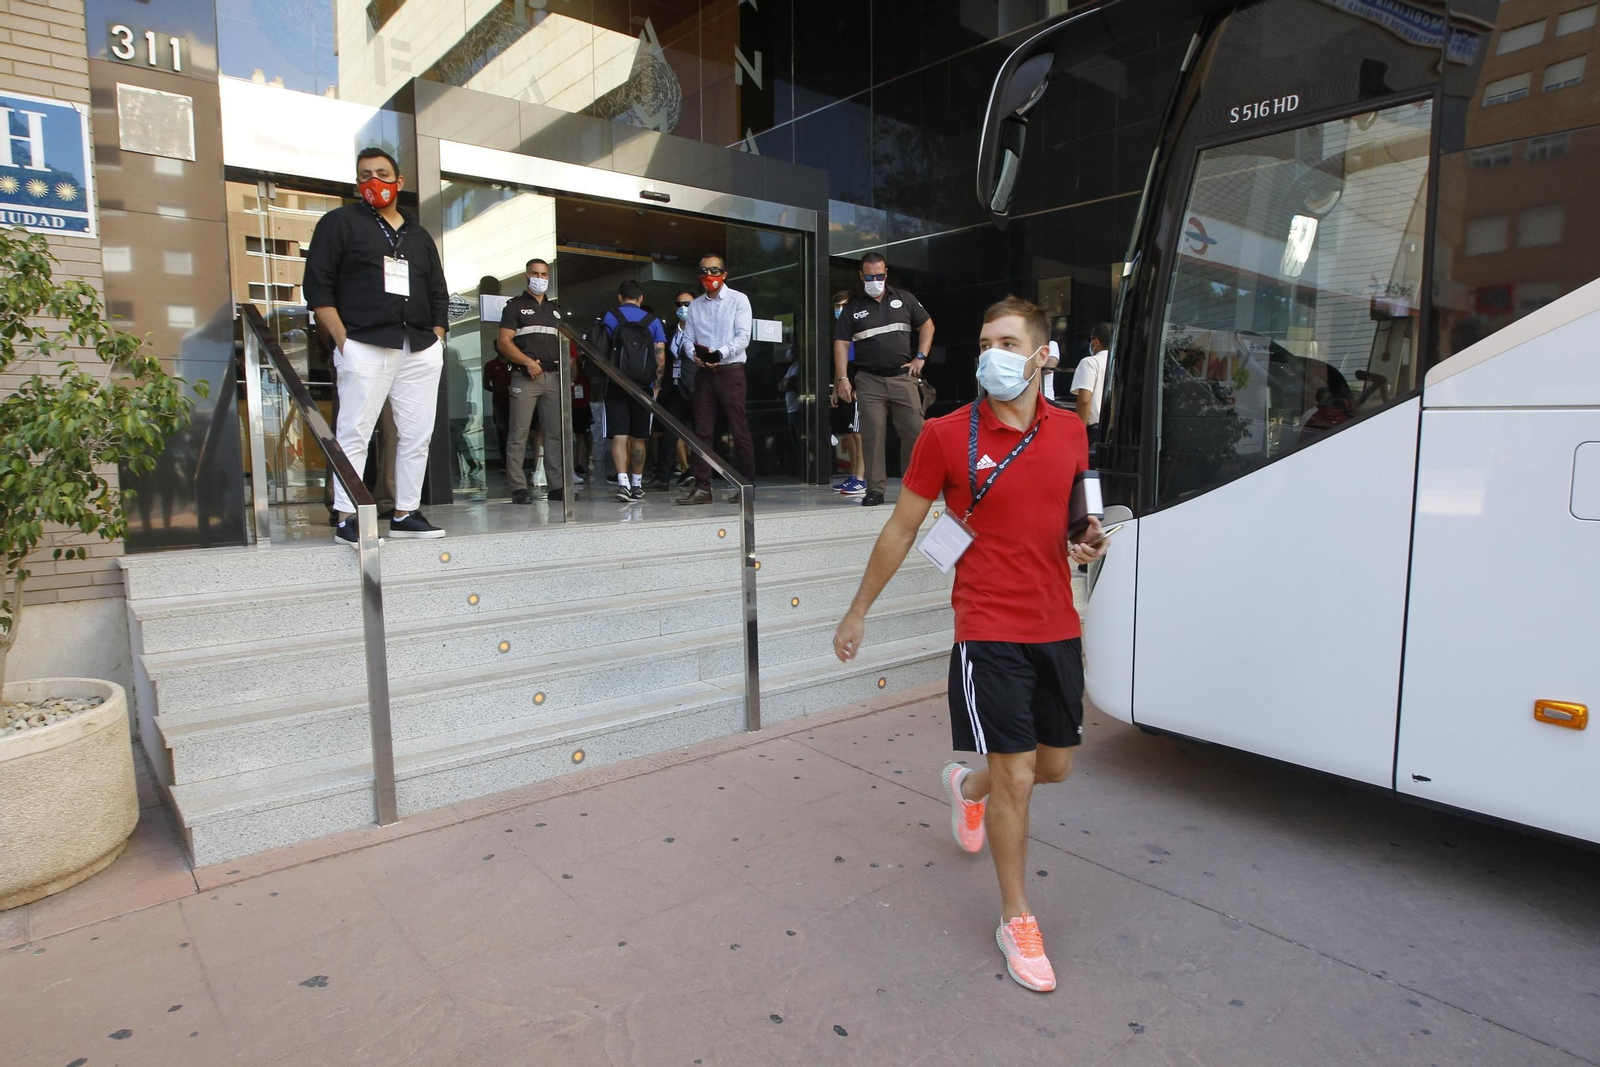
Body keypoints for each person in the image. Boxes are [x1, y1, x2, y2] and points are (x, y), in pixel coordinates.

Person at [831, 296, 1108, 993]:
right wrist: (858, 610)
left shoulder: (1070, 430)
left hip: (1056, 622)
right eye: (985, 343)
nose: (993, 355)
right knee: (1019, 776)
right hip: (986, 627)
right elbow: (903, 528)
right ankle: (1016, 916)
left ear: (1042, 355)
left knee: (1054, 767)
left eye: (1008, 343)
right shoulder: (945, 434)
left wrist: (1086, 539)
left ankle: (966, 787)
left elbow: (1075, 515)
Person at [304, 146, 448, 544]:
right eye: (366, 175)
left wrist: (437, 335)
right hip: (364, 342)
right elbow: (318, 286)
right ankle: (348, 517)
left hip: (418, 345)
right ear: (357, 183)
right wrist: (343, 340)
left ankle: (406, 512)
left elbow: (437, 289)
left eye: (382, 174)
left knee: (417, 434)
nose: (375, 182)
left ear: (399, 182)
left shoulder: (419, 235)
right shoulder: (339, 223)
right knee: (354, 431)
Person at [833, 252, 935, 507]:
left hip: (903, 377)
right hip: (869, 380)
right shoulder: (853, 307)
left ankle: (912, 487)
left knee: (915, 431)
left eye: (879, 276)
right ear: (861, 276)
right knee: (872, 436)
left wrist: (920, 358)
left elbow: (927, 325)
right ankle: (875, 489)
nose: (875, 281)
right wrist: (843, 378)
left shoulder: (904, 298)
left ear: (886, 273)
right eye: (869, 277)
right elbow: (841, 343)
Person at [676, 253, 754, 506]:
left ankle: (746, 486)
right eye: (704, 271)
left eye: (714, 270)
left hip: (731, 371)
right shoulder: (695, 306)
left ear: (724, 273)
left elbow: (743, 336)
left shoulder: (738, 300)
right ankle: (702, 487)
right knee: (702, 431)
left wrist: (720, 353)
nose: (709, 275)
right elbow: (688, 339)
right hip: (705, 374)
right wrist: (694, 354)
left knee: (739, 429)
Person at [496, 258, 569, 504]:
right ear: (527, 276)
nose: (540, 278)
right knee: (519, 432)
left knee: (554, 433)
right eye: (535, 274)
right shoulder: (514, 307)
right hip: (525, 376)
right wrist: (528, 362)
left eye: (544, 274)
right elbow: (503, 342)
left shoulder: (555, 310)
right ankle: (518, 487)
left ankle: (557, 486)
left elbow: (565, 345)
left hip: (553, 377)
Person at [601, 280, 667, 502]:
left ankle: (623, 484)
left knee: (619, 435)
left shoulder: (610, 317)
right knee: (640, 436)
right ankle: (637, 485)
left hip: (616, 384)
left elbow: (600, 349)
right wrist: (656, 387)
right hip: (643, 386)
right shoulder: (653, 321)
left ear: (620, 297)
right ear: (641, 298)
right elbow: (660, 357)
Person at [658, 289, 699, 486]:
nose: (683, 308)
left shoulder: (701, 330)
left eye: (687, 304)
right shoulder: (669, 331)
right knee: (669, 433)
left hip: (695, 389)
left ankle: (700, 476)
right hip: (673, 389)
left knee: (700, 435)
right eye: (679, 304)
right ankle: (662, 477)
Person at [829, 290, 866, 496]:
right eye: (837, 306)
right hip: (844, 382)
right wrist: (835, 389)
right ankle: (853, 475)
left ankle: (861, 478)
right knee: (849, 434)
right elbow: (839, 363)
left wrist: (860, 386)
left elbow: (863, 361)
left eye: (844, 305)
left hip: (858, 381)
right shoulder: (840, 331)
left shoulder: (859, 328)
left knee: (859, 434)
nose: (840, 310)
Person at [1072, 322, 1111, 460]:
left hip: (1094, 430)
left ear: (1096, 342)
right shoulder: (1118, 364)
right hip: (1114, 430)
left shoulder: (1089, 363)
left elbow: (1084, 400)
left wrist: (1079, 431)